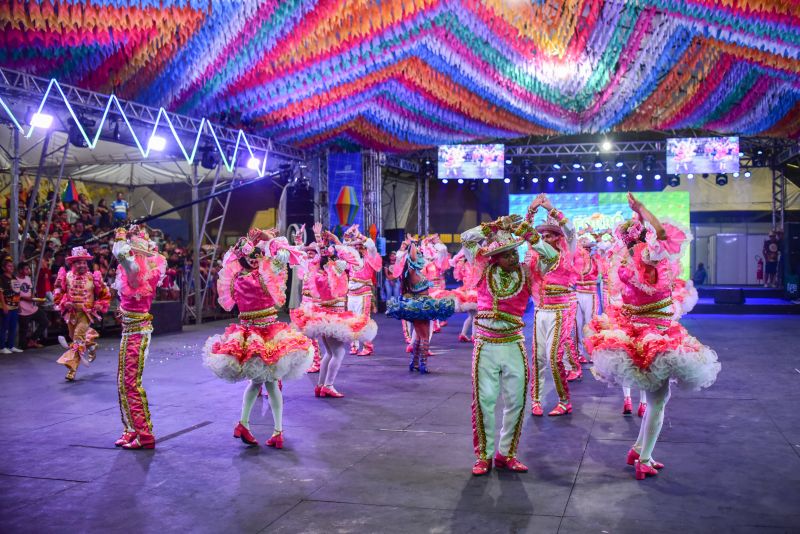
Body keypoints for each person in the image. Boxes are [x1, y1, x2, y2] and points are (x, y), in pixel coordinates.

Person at [585, 193, 721, 480]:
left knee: (657, 396)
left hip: (641, 331)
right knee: (659, 399)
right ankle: (644, 458)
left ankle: (638, 448)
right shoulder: (648, 256)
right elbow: (662, 234)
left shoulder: (623, 260)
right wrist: (643, 210)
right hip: (653, 335)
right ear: (643, 238)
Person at [203, 228, 314, 448]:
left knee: (258, 383)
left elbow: (229, 263)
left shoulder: (234, 278)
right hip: (269, 335)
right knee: (270, 384)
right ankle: (275, 430)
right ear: (255, 260)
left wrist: (247, 248)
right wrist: (269, 239)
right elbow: (283, 255)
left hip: (247, 335)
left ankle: (246, 423)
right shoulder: (266, 275)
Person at [460, 213, 543, 476]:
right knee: (484, 400)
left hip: (513, 344)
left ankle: (506, 453)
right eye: (507, 254)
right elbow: (467, 238)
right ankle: (483, 455)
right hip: (485, 344)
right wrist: (494, 226)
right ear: (495, 257)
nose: (513, 257)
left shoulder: (527, 271)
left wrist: (530, 234)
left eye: (514, 252)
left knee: (517, 401)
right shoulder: (483, 267)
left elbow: (551, 257)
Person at [291, 224, 377, 396]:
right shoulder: (335, 270)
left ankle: (321, 385)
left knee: (330, 353)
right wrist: (336, 241)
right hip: (333, 317)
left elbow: (314, 255)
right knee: (338, 353)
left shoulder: (317, 272)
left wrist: (321, 241)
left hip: (322, 317)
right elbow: (354, 260)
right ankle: (328, 386)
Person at [111, 226, 167, 450]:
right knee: (122, 382)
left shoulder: (134, 269)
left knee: (130, 383)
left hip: (136, 331)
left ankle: (144, 434)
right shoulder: (143, 269)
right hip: (131, 328)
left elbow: (119, 253)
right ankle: (131, 429)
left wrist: (121, 236)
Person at [526, 194, 578, 416]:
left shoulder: (568, 253)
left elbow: (571, 231)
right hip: (540, 312)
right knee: (537, 358)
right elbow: (527, 236)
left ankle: (565, 400)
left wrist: (552, 209)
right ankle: (536, 400)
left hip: (560, 311)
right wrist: (530, 212)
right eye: (543, 236)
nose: (544, 238)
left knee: (554, 358)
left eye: (549, 235)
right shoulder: (537, 256)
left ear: (558, 238)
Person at [386, 236, 454, 374]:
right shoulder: (411, 272)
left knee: (419, 335)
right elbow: (412, 256)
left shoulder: (418, 272)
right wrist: (412, 244)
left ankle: (414, 362)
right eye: (418, 255)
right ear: (412, 261)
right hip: (420, 306)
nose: (420, 257)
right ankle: (422, 364)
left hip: (424, 304)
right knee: (423, 336)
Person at [53, 246, 112, 381]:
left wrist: (99, 304)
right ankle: (91, 345)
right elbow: (58, 291)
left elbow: (105, 293)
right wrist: (63, 301)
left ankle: (72, 370)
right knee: (74, 337)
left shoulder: (93, 277)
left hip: (86, 314)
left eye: (84, 262)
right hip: (71, 314)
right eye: (79, 262)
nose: (82, 265)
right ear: (72, 264)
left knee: (77, 340)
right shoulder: (66, 276)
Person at [344, 225, 382, 356]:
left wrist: (359, 235)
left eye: (360, 246)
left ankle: (367, 346)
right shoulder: (352, 259)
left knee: (363, 320)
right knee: (351, 320)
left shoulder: (369, 256)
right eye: (356, 246)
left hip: (364, 293)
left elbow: (371, 244)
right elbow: (344, 247)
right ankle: (354, 346)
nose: (358, 248)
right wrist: (348, 235)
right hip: (351, 293)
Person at [450, 249, 480, 343]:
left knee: (471, 316)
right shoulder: (475, 266)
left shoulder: (464, 265)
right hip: (473, 292)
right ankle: (474, 336)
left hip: (466, 292)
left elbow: (461, 276)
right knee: (476, 316)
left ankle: (463, 334)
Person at [16, 262, 48, 349]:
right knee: (23, 330)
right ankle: (22, 347)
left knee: (44, 321)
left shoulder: (28, 278)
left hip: (32, 307)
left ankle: (32, 340)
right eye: (26, 269)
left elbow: (29, 292)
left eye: (28, 269)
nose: (28, 270)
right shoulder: (15, 280)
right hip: (22, 308)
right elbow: (16, 295)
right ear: (20, 270)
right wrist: (26, 299)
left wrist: (35, 299)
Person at [0, 259, 23, 354]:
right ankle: (2, 347)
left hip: (14, 306)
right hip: (5, 306)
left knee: (13, 327)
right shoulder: (2, 278)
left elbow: (17, 292)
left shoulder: (14, 277)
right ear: (3, 268)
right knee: (3, 327)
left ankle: (11, 345)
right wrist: (4, 305)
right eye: (9, 266)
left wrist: (19, 304)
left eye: (12, 266)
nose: (11, 267)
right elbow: (0, 292)